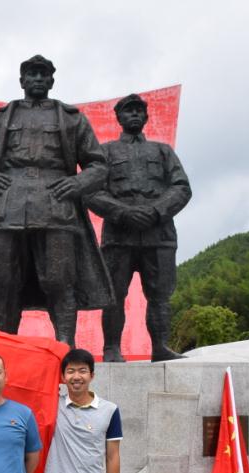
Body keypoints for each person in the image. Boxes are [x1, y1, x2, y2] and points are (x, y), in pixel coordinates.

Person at [0, 55, 112, 346]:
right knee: (4, 280)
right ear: (22, 81)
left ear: (52, 81)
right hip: (8, 206)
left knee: (60, 279)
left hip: (56, 205)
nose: (38, 79)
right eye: (32, 74)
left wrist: (76, 183)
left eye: (44, 74)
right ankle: (6, 346)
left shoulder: (71, 118)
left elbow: (98, 166)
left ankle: (65, 347)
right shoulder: (0, 118)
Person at [84, 93, 192, 362]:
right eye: (128, 111)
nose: (134, 114)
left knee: (160, 296)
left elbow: (181, 187)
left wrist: (155, 211)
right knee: (114, 295)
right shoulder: (104, 152)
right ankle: (111, 348)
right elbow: (91, 191)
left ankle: (161, 347)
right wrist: (123, 212)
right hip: (119, 236)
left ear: (146, 117)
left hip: (159, 236)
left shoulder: (163, 151)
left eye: (138, 111)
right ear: (118, 118)